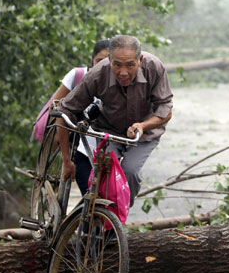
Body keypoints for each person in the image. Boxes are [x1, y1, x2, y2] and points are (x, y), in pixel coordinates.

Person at [57, 35, 173, 208]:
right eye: (117, 64)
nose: (123, 72)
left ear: (139, 60)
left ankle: (117, 220)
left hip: (144, 134)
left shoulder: (154, 67)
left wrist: (142, 125)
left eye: (130, 65)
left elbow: (166, 109)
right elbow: (65, 111)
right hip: (108, 130)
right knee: (104, 174)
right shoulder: (96, 74)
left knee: (129, 172)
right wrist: (66, 160)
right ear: (109, 60)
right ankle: (100, 220)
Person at [49, 39, 110, 196]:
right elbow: (57, 105)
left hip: (103, 144)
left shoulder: (118, 81)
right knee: (88, 195)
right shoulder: (78, 76)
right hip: (78, 140)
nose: (103, 65)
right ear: (92, 60)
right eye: (99, 61)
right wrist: (57, 135)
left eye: (108, 61)